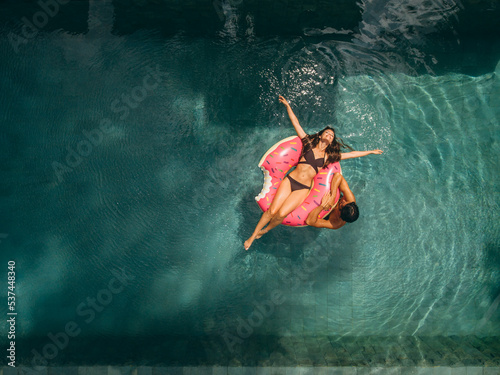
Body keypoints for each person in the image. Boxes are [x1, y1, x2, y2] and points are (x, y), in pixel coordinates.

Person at [243, 95, 382, 250]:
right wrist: (288, 106)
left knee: (281, 215)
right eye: (327, 133)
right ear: (321, 135)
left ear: (331, 141)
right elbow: (296, 123)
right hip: (290, 181)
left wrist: (370, 152)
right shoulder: (307, 143)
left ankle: (266, 230)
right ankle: (252, 236)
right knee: (272, 211)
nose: (329, 135)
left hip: (303, 188)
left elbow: (350, 155)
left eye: (332, 135)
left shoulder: (329, 157)